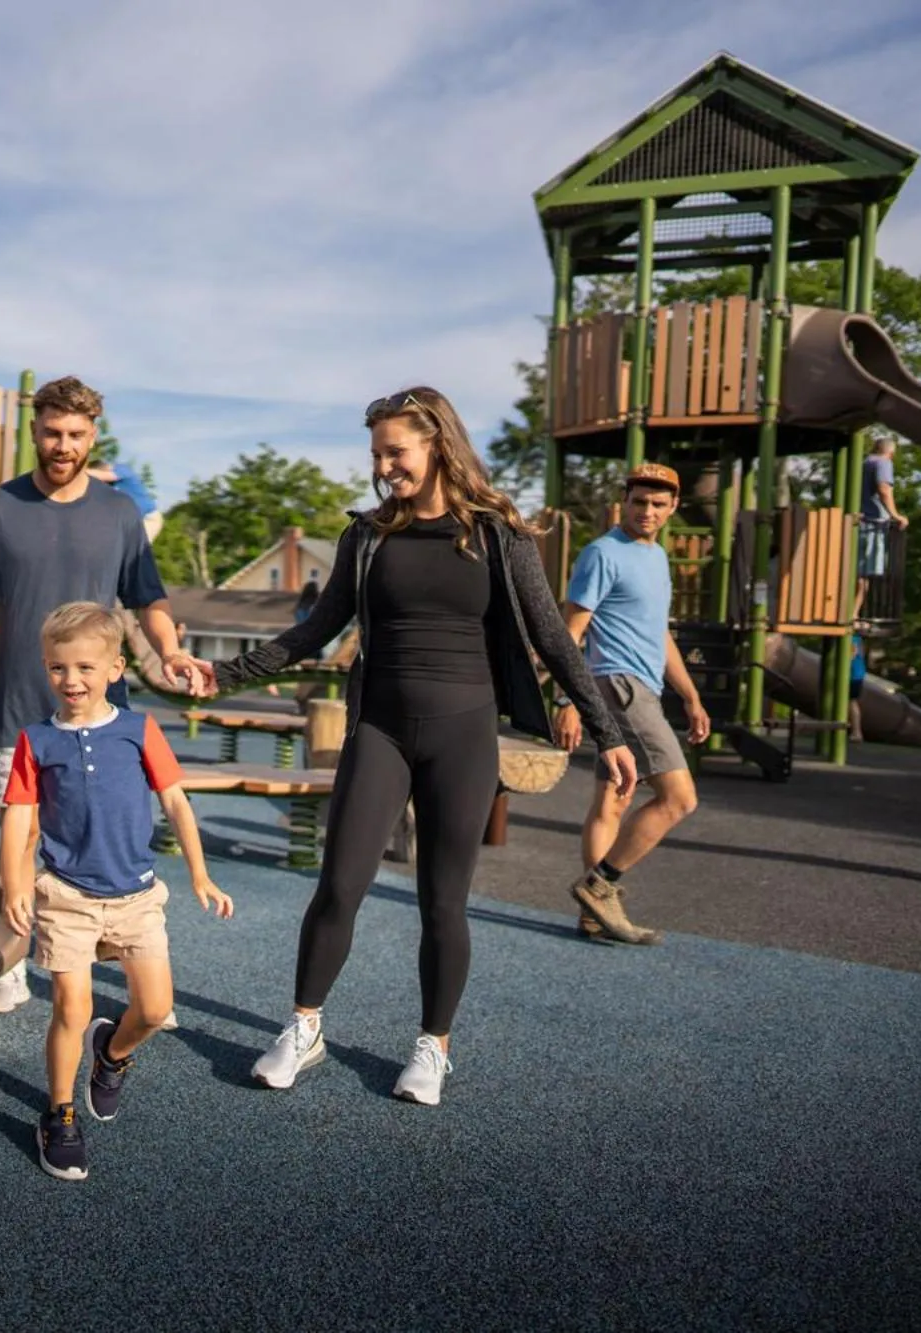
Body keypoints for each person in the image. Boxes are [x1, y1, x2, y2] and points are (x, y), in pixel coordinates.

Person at [210, 386, 637, 1108]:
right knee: (339, 884)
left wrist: (608, 733)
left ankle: (433, 1046)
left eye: (395, 452)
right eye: (376, 455)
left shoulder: (498, 534)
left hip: (462, 736)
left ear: (437, 443)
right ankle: (304, 1028)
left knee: (443, 901)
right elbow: (314, 631)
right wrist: (222, 674)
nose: (383, 468)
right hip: (379, 729)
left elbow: (554, 638)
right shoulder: (367, 537)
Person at [0, 375, 211, 1015]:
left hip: (102, 717)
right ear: (34, 431)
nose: (64, 445)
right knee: (20, 838)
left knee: (107, 834)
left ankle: (133, 966)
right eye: (53, 432)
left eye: (77, 434)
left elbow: (148, 598)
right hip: (20, 709)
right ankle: (9, 960)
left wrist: (169, 650)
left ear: (94, 436)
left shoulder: (119, 514)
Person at [0, 603, 232, 1180]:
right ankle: (59, 1113)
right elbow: (19, 817)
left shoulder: (138, 730)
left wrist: (200, 873)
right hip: (66, 894)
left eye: (85, 667)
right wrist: (13, 883)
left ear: (114, 669)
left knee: (153, 1009)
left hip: (136, 896)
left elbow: (175, 801)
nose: (71, 680)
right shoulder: (36, 740)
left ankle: (112, 1053)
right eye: (58, 668)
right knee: (71, 1007)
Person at [551, 463, 712, 945]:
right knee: (679, 799)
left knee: (613, 799)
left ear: (673, 507)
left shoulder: (657, 557)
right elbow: (571, 631)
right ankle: (600, 886)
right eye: (639, 501)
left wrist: (691, 695)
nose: (648, 511)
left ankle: (593, 916)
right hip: (619, 686)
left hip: (644, 687)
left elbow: (658, 634)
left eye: (658, 504)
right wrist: (567, 698)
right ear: (624, 501)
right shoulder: (603, 553)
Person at [856, 437, 907, 620]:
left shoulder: (863, 463)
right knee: (863, 574)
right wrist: (896, 515)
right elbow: (884, 489)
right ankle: (852, 615)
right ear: (891, 453)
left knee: (856, 572)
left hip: (857, 521)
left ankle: (851, 613)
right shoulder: (883, 463)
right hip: (871, 524)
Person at [87, 459, 164, 543]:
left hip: (148, 518)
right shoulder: (108, 487)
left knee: (135, 546)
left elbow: (106, 476)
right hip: (131, 522)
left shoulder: (122, 470)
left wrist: (80, 473)